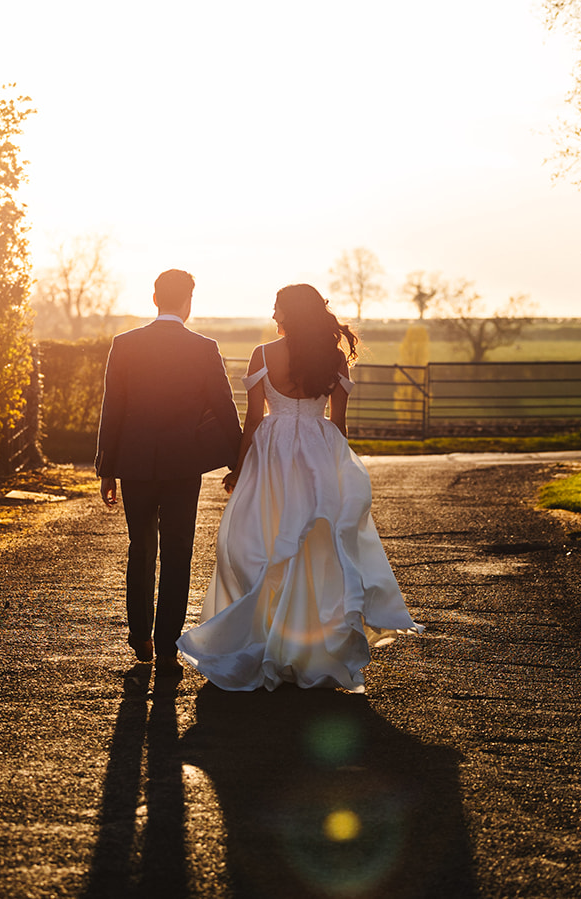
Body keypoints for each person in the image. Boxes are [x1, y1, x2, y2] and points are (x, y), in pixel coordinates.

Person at [177, 283, 421, 691]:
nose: (273, 317)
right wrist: (339, 467)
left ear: (289, 313)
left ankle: (264, 638)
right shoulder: (334, 358)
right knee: (316, 548)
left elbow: (254, 418)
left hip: (270, 454)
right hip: (319, 450)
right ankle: (308, 646)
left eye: (277, 309)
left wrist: (239, 467)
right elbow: (339, 425)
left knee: (258, 538)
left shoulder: (262, 354)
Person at [96, 269, 243, 673]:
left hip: (134, 464)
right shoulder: (203, 347)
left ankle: (139, 634)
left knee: (140, 547)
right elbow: (224, 406)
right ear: (188, 300)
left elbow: (114, 408)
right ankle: (166, 646)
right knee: (178, 551)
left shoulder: (124, 344)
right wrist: (239, 459)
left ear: (154, 297)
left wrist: (106, 467)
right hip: (183, 466)